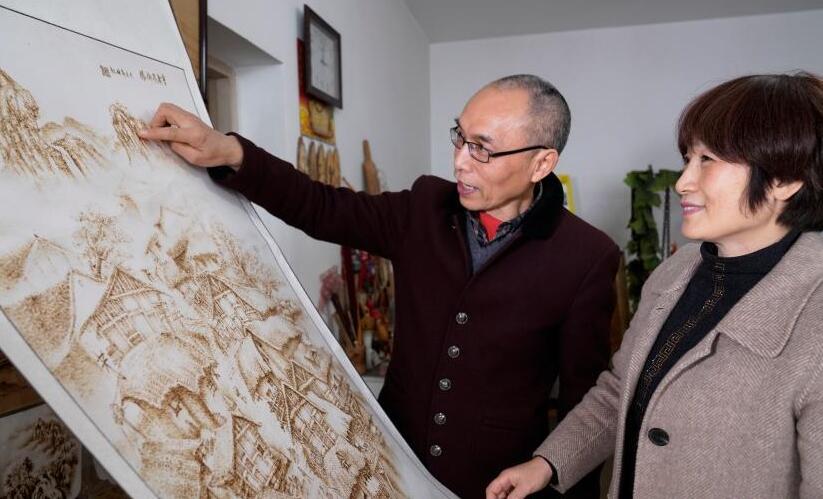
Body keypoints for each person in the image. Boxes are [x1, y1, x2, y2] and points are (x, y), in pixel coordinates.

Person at [139, 74, 619, 498]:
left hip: (493, 483)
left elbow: (585, 404)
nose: (460, 162)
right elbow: (322, 207)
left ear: (541, 163)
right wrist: (232, 153)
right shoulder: (425, 207)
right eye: (459, 137)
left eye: (483, 149)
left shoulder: (586, 256)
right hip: (387, 467)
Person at [486, 72, 823, 499]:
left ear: (784, 180)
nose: (683, 182)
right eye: (688, 158)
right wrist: (547, 463)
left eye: (708, 160)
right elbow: (619, 390)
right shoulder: (674, 272)